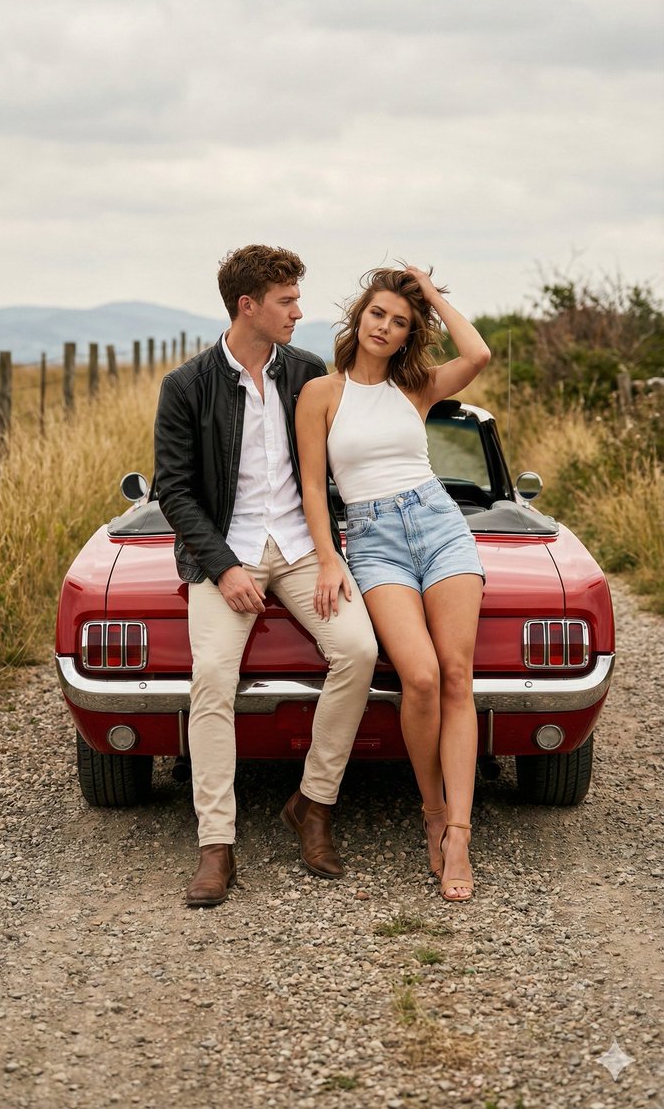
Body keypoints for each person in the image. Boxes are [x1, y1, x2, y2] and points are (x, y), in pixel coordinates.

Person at [154, 244, 378, 908]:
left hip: (305, 548)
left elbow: (337, 467)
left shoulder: (306, 375)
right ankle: (216, 845)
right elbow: (175, 489)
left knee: (358, 652)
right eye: (286, 301)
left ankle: (312, 804)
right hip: (227, 550)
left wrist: (334, 549)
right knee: (212, 680)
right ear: (247, 305)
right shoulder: (186, 386)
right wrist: (222, 569)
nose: (297, 312)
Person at [295, 265, 490, 903]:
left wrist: (430, 293)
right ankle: (431, 808)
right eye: (379, 314)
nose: (386, 327)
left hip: (438, 525)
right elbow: (314, 492)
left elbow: (479, 353)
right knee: (422, 677)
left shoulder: (418, 388)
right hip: (373, 541)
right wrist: (328, 558)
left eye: (400, 322)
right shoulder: (321, 394)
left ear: (410, 334)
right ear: (360, 318)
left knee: (457, 675)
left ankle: (457, 831)